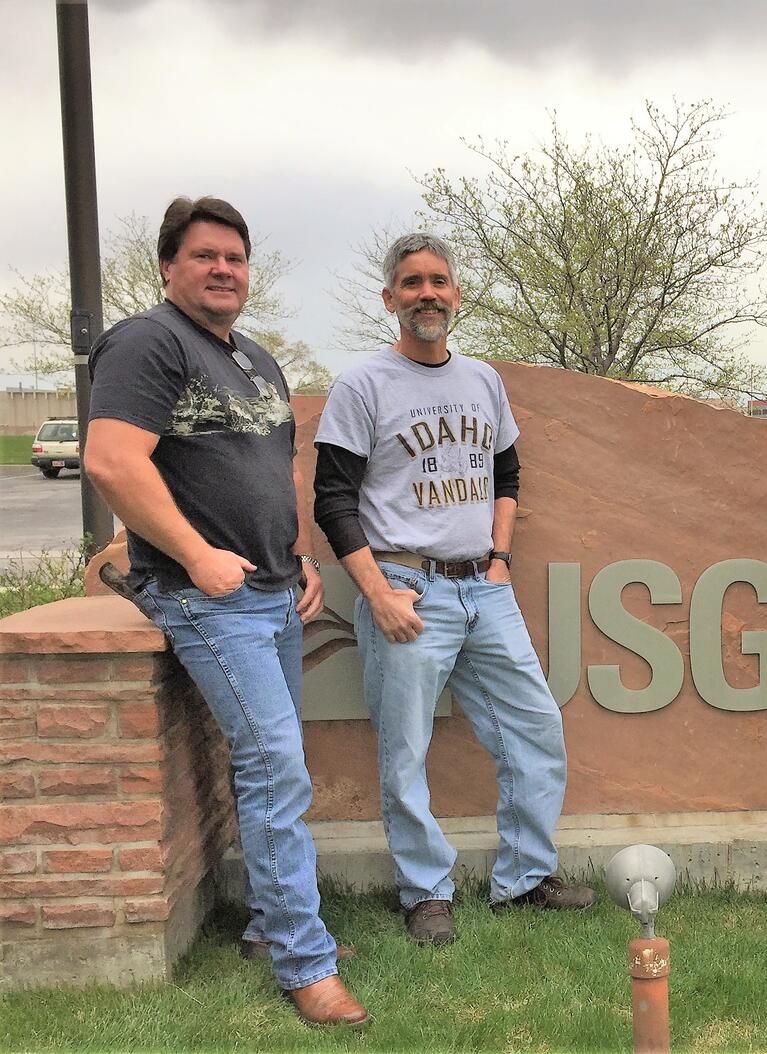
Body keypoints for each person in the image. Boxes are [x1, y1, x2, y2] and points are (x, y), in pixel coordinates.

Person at [84, 196, 367, 1027]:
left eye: (234, 259)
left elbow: (272, 471)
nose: (222, 270)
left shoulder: (256, 360)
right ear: (169, 267)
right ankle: (304, 962)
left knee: (272, 769)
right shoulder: (147, 342)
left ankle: (274, 922)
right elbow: (109, 459)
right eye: (205, 256)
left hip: (275, 593)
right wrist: (197, 553)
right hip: (212, 601)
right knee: (277, 766)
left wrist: (300, 556)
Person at [313, 232, 595, 945]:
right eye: (411, 283)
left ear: (456, 294)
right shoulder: (363, 385)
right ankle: (425, 891)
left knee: (536, 728)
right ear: (390, 298)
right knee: (405, 750)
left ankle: (525, 877)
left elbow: (508, 475)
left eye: (438, 281)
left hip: (483, 587)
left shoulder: (483, 381)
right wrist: (377, 593)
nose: (427, 294)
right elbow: (333, 500)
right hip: (406, 587)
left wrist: (499, 558)